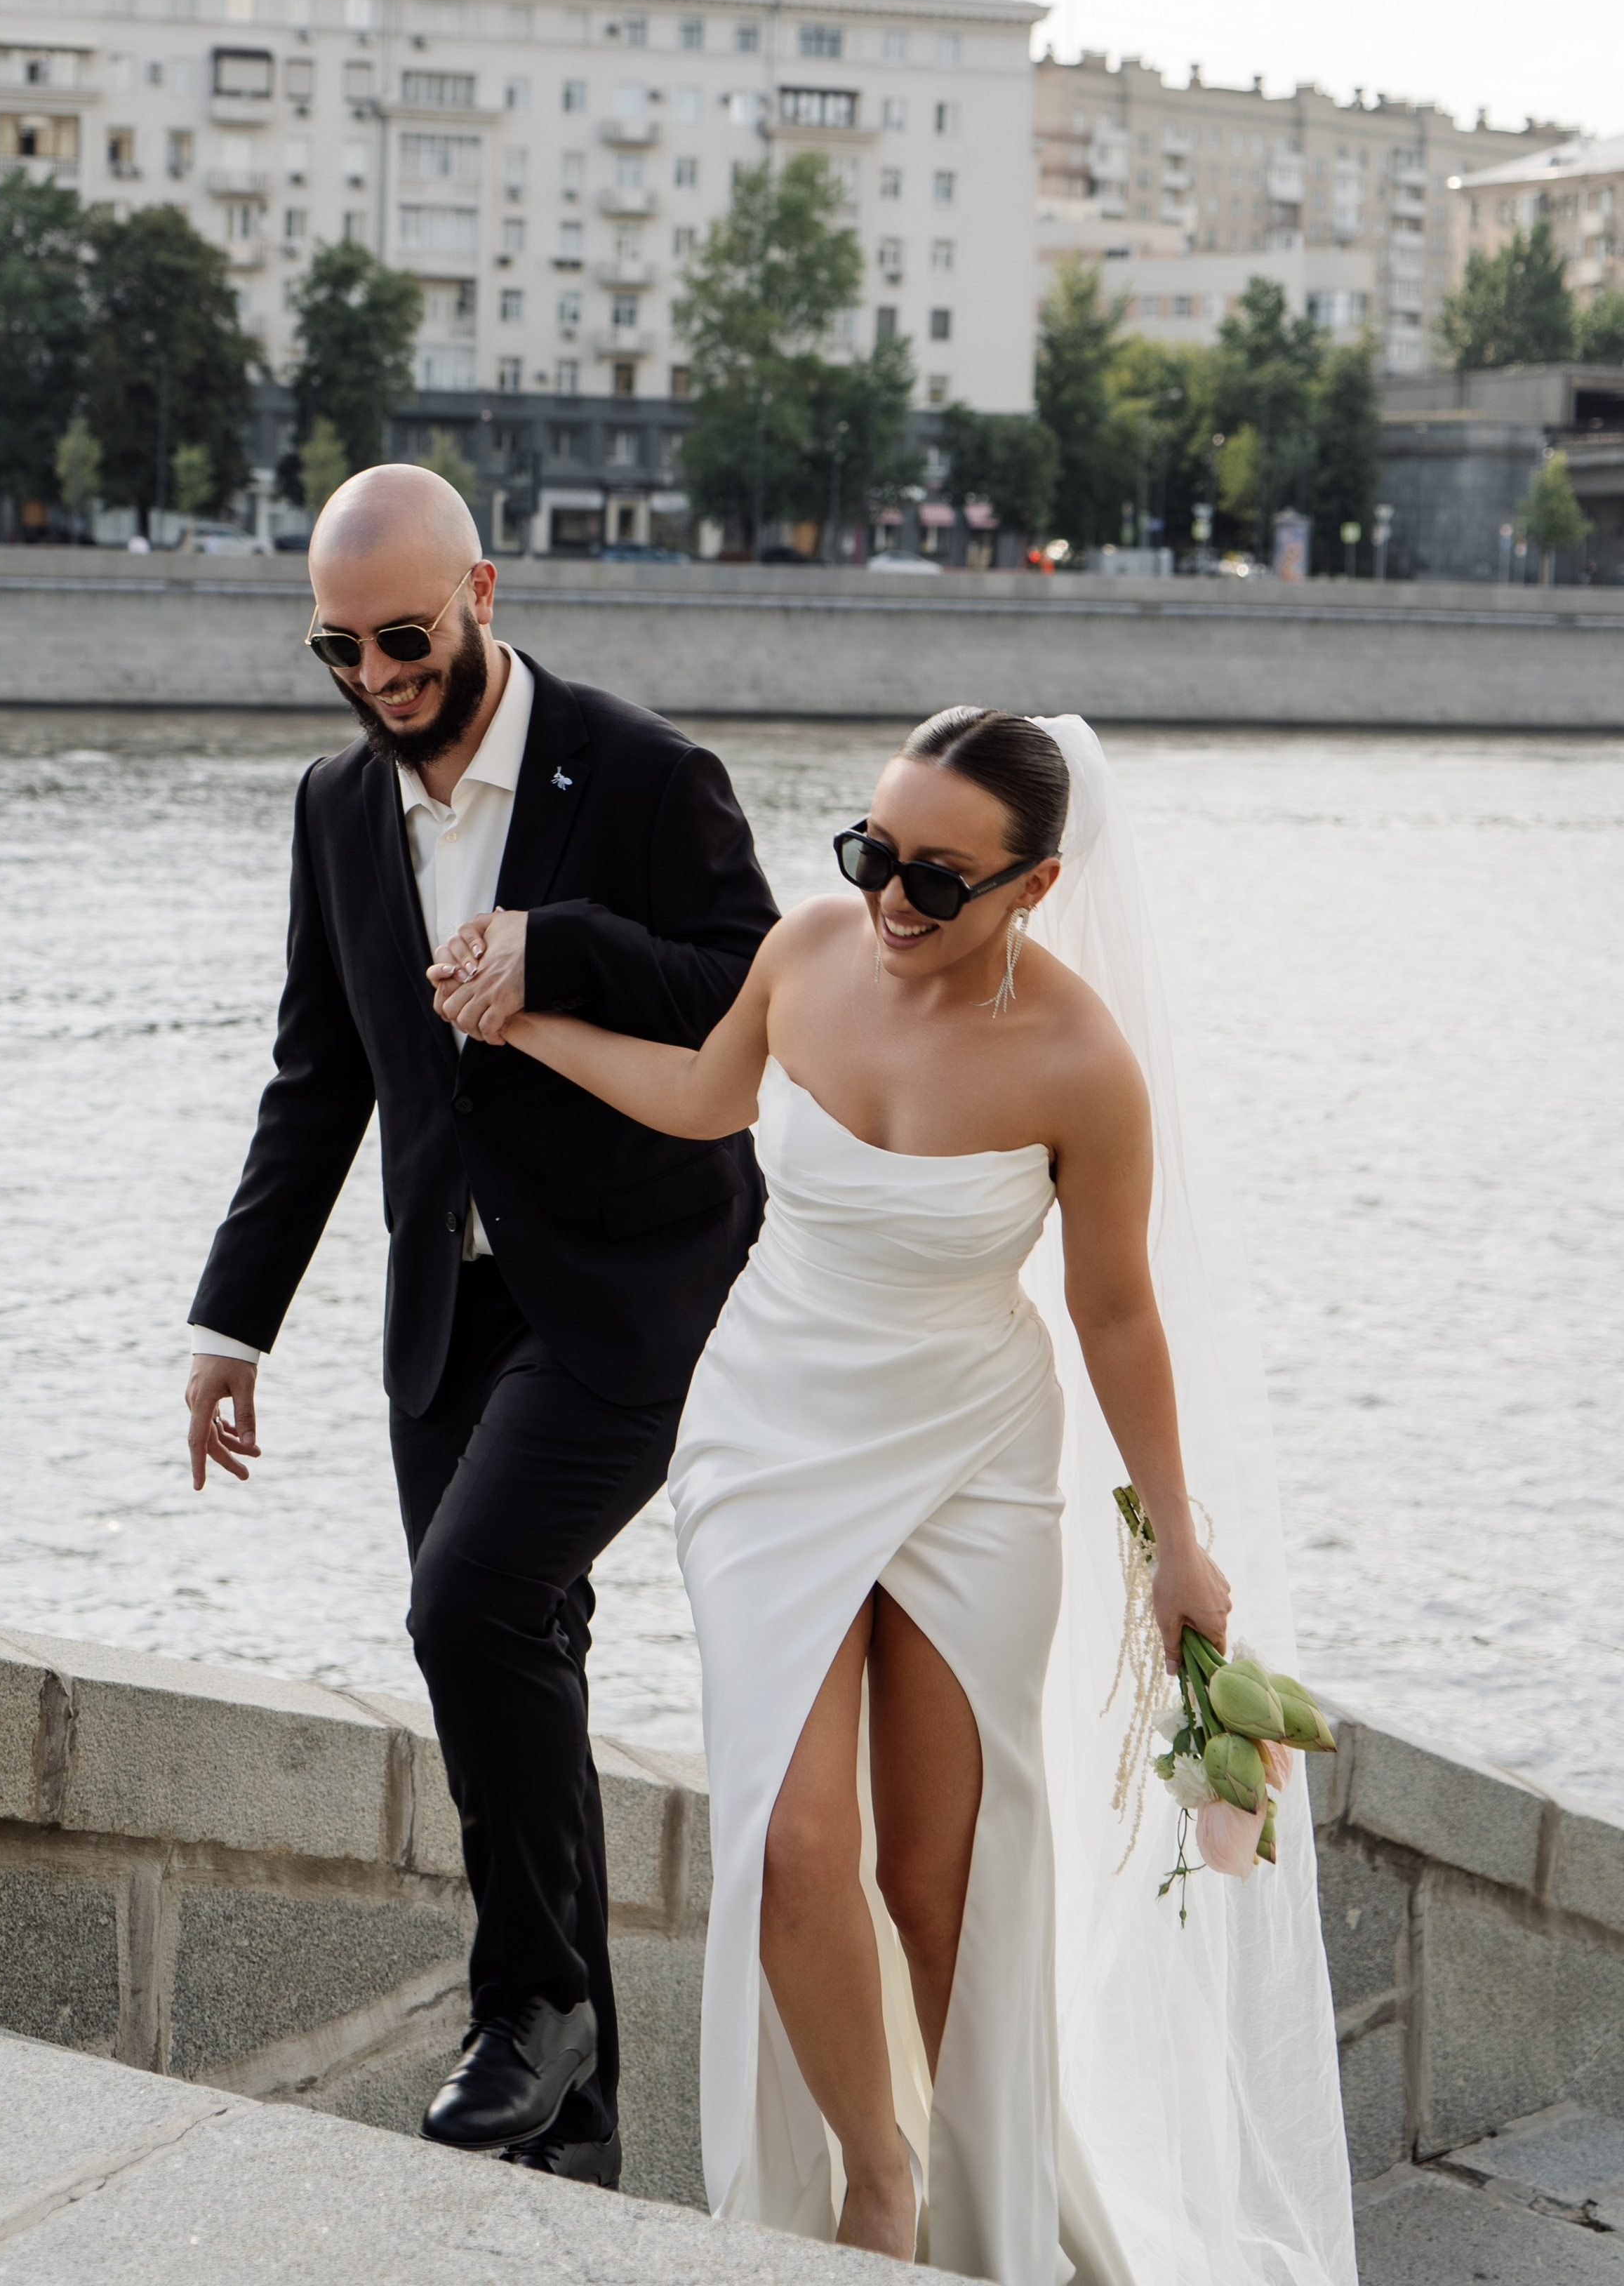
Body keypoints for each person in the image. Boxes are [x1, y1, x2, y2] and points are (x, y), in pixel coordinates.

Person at [432, 708, 1355, 2284]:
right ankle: (874, 2181)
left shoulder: (1080, 1063)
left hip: (972, 1461)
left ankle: (978, 2216)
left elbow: (1117, 1313)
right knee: (792, 1847)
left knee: (939, 1885)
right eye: (870, 854)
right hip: (767, 1432)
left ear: (1036, 884)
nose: (892, 901)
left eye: (938, 878)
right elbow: (711, 1098)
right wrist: (523, 1029)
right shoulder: (803, 952)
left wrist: (1178, 1543)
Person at [184, 465, 778, 2191]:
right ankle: (575, 2130)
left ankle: (525, 2003)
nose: (377, 677)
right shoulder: (331, 807)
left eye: (406, 638)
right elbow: (321, 1078)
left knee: (469, 1601)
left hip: (626, 1287)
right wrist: (232, 1321)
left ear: (485, 594)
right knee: (515, 1661)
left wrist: (553, 949)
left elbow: (754, 1001)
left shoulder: (649, 775)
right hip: (445, 1311)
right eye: (340, 647)